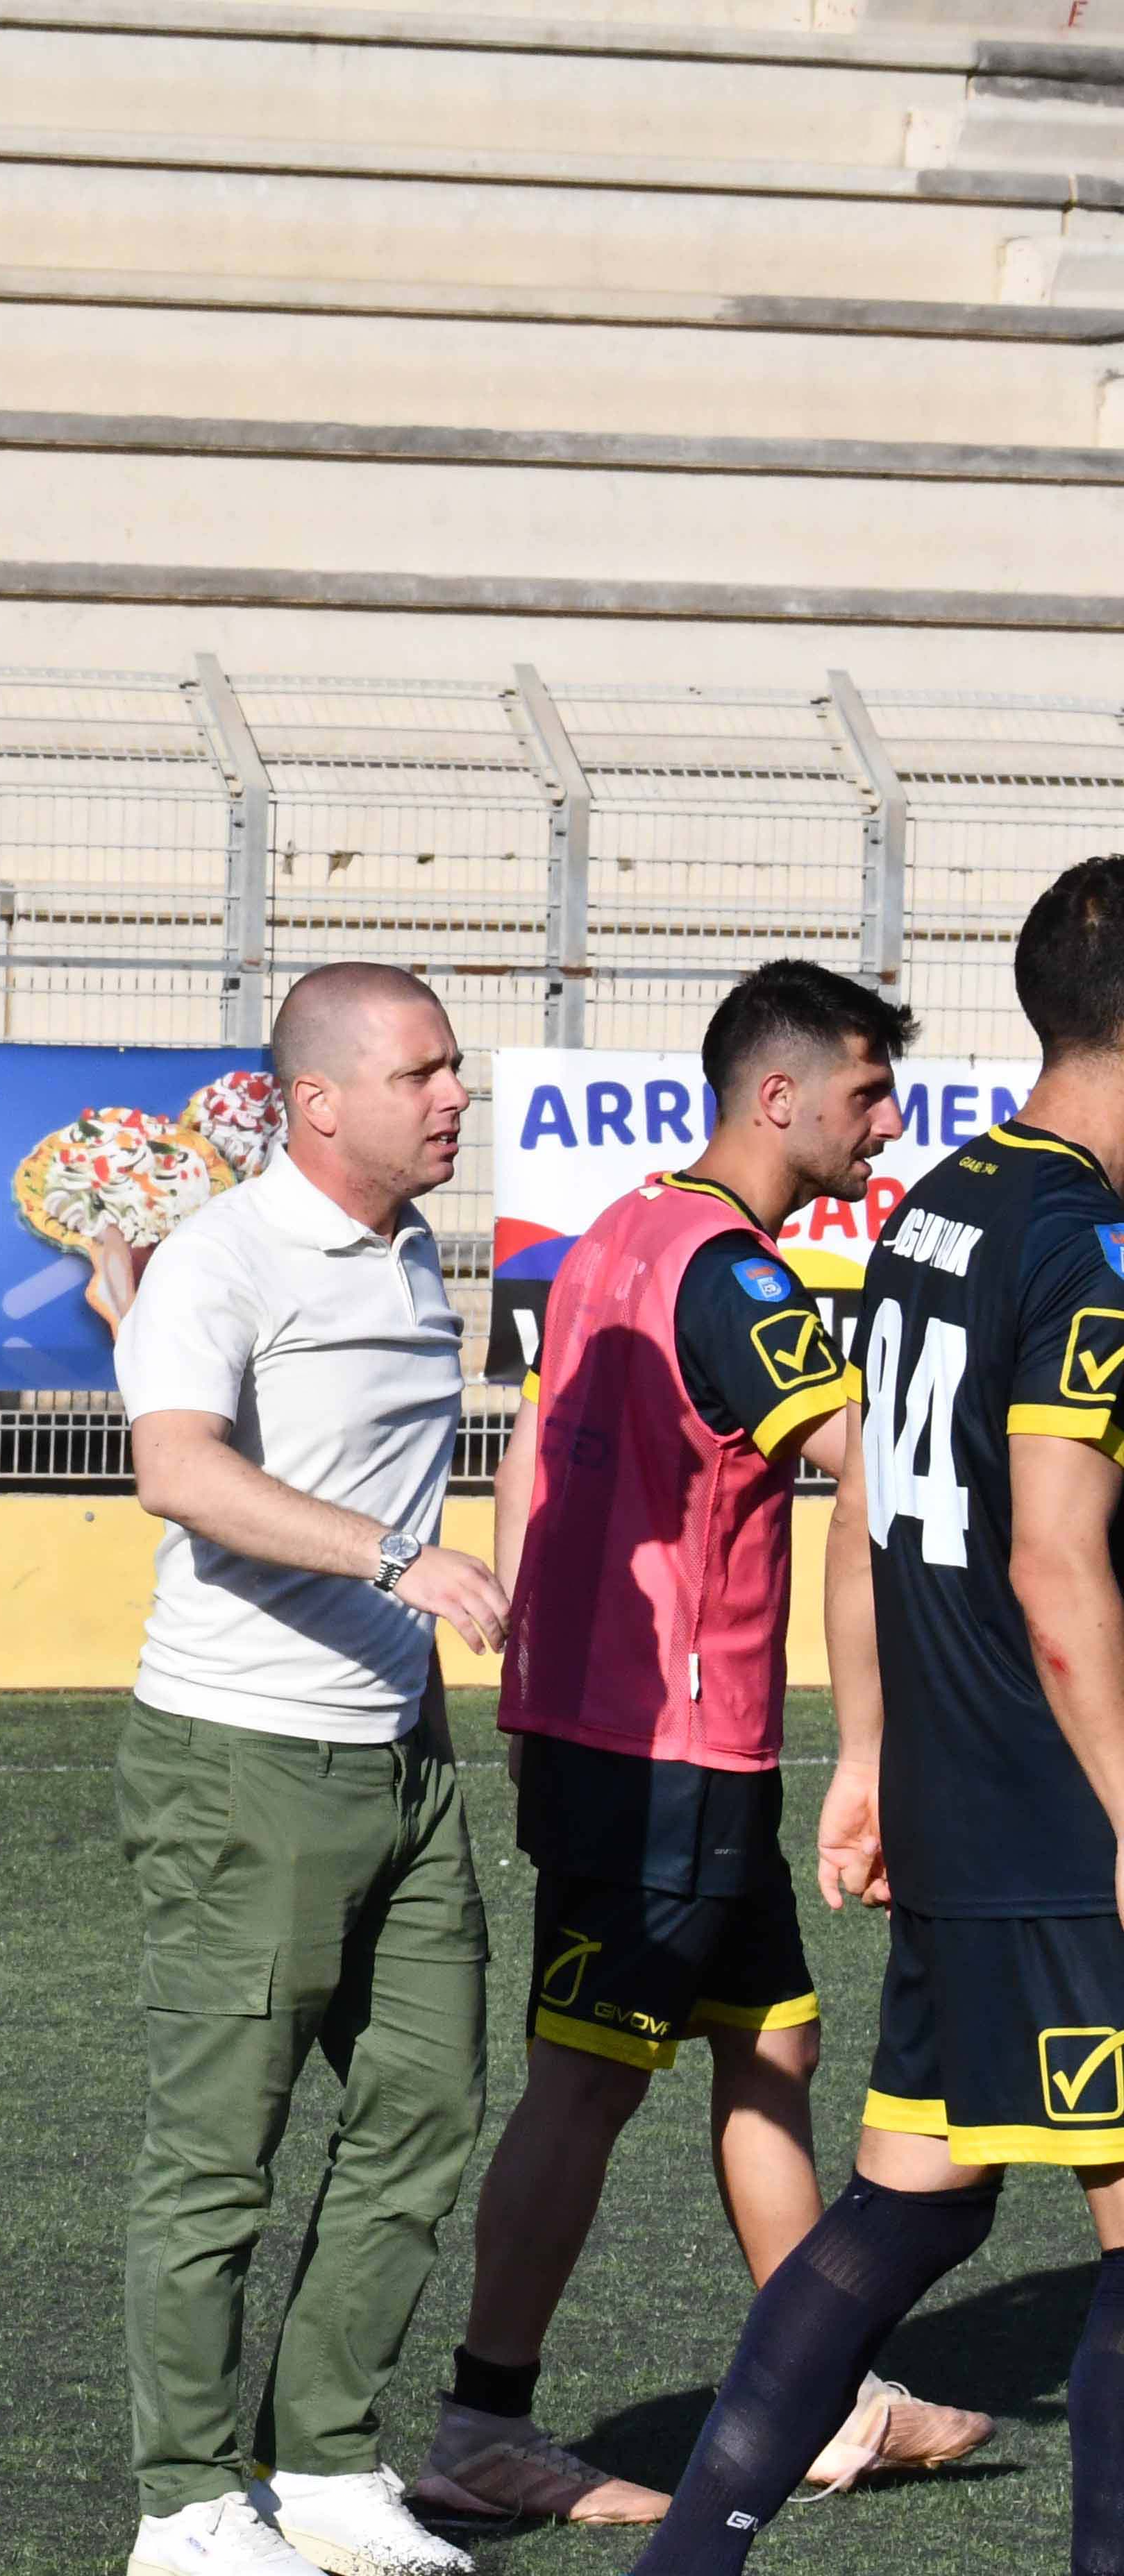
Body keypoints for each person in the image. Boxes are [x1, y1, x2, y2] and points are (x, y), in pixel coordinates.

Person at [430, 960, 987, 2526]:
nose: (890, 1123)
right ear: (781, 1094)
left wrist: (530, 1688)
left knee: (774, 2044)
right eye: (870, 1092)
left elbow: (532, 1456)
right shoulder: (734, 1276)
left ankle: (824, 2397)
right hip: (663, 1747)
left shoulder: (618, 1231)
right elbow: (872, 1470)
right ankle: (481, 2425)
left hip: (644, 1735)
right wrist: (881, 1735)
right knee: (585, 2083)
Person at [628, 857, 1124, 2574]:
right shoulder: (1088, 1243)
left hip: (960, 1804)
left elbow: (864, 1508)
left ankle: (686, 2561)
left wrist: (873, 1756)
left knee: (913, 2205)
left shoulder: (934, 1211)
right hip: (1062, 1822)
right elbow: (1058, 1565)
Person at [113, 962, 508, 2576]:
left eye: (454, 1066)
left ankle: (327, 2462)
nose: (456, 1094)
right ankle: (187, 2505)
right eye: (422, 1072)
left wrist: (424, 1688)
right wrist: (397, 1558)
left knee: (427, 2102)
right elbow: (176, 1467)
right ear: (320, 1100)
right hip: (242, 1761)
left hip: (403, 1759)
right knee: (224, 2147)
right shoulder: (225, 1254)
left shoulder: (411, 1250)